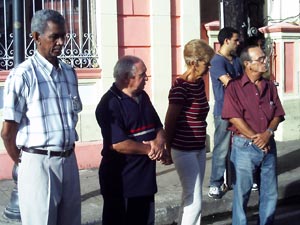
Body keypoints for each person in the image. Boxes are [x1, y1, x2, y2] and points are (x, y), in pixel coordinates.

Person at [1, 9, 82, 225]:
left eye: (64, 36)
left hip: (69, 160)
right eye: (54, 36)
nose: (61, 42)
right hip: (38, 162)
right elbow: (7, 132)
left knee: (72, 220)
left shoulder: (68, 73)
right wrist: (24, 161)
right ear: (36, 37)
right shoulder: (23, 75)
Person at [95, 55, 167, 225]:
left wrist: (159, 143)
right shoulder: (109, 104)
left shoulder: (143, 97)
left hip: (145, 180)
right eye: (143, 75)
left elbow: (158, 127)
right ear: (127, 78)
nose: (147, 79)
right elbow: (119, 144)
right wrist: (152, 150)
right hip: (121, 182)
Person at [222, 46, 285, 224]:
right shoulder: (234, 87)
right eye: (261, 59)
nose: (265, 62)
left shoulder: (269, 86)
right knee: (242, 193)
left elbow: (278, 114)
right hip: (244, 147)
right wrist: (256, 139)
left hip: (268, 144)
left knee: (270, 192)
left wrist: (268, 133)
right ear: (247, 64)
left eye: (265, 58)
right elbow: (234, 118)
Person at [164, 39, 215, 225]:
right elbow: (170, 122)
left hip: (199, 148)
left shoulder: (199, 83)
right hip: (183, 149)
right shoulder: (180, 87)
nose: (209, 65)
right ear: (194, 62)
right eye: (206, 62)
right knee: (195, 202)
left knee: (189, 197)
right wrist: (167, 150)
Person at [208, 27, 243, 199]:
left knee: (238, 147)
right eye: (236, 40)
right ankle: (215, 183)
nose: (238, 43)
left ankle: (235, 181)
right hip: (223, 112)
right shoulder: (216, 61)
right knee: (221, 148)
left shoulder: (236, 60)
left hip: (239, 111)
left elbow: (243, 83)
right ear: (226, 40)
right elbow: (230, 83)